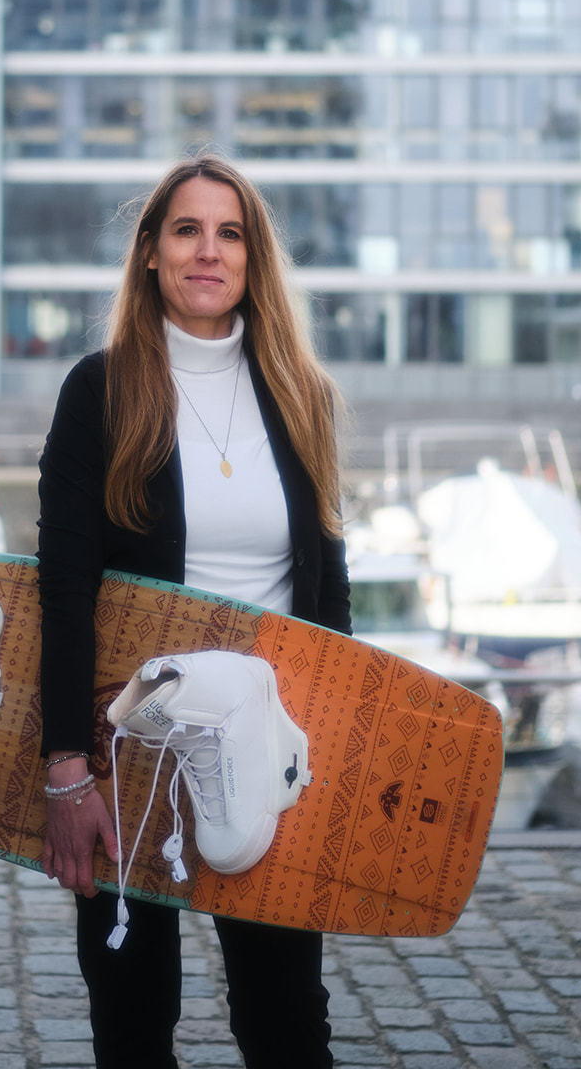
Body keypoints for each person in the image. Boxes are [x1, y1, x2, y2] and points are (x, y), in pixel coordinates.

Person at [37, 154, 351, 1069]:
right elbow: (64, 590)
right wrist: (65, 771)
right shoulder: (99, 391)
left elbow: (328, 594)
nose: (208, 252)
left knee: (286, 1025)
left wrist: (332, 750)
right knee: (133, 1026)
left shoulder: (302, 394)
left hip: (266, 749)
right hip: (129, 749)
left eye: (229, 233)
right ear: (149, 252)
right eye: (186, 230)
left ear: (253, 259)